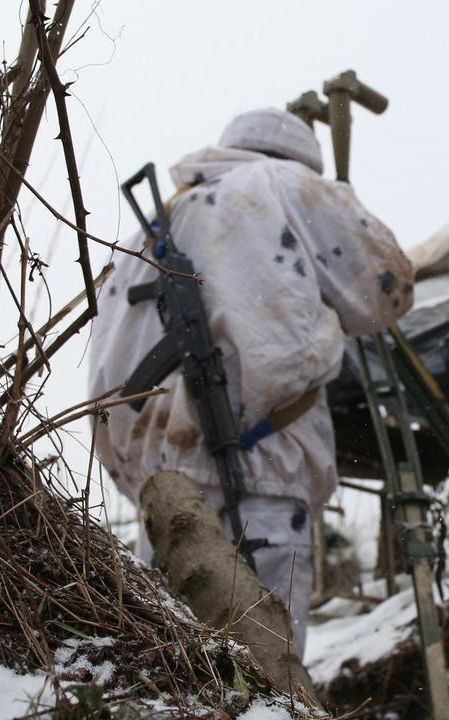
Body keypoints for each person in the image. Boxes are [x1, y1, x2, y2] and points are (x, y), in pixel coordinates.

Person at [88, 107, 414, 654]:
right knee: (266, 674)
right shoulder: (288, 184)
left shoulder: (149, 230)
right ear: (302, 160)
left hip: (160, 494)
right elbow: (384, 294)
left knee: (174, 674)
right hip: (261, 476)